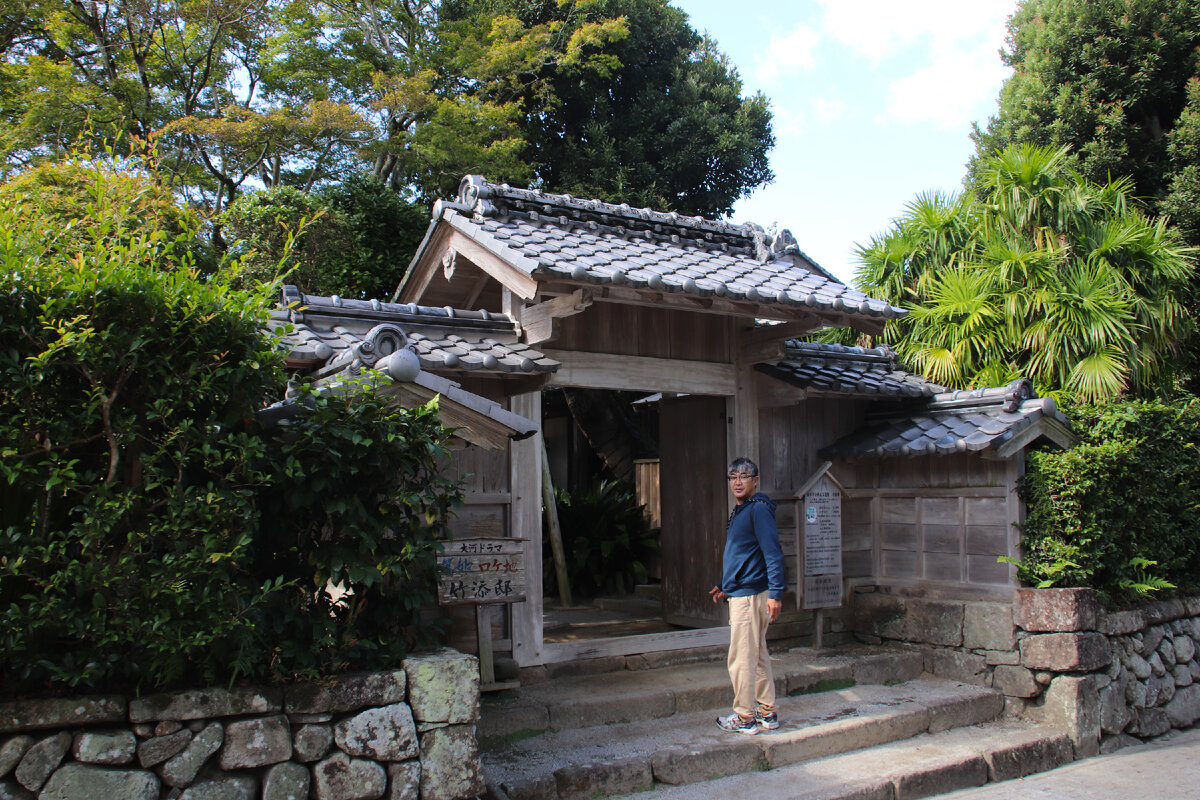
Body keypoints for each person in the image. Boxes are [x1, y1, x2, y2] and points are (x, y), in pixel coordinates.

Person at [709, 456, 785, 735]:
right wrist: (725, 583)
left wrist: (775, 593)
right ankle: (767, 711)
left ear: (756, 481)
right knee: (758, 654)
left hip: (751, 596)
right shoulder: (743, 510)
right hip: (743, 589)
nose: (738, 482)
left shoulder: (758, 510)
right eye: (733, 477)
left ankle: (744, 717)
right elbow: (743, 554)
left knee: (741, 657)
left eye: (744, 477)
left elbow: (772, 553)